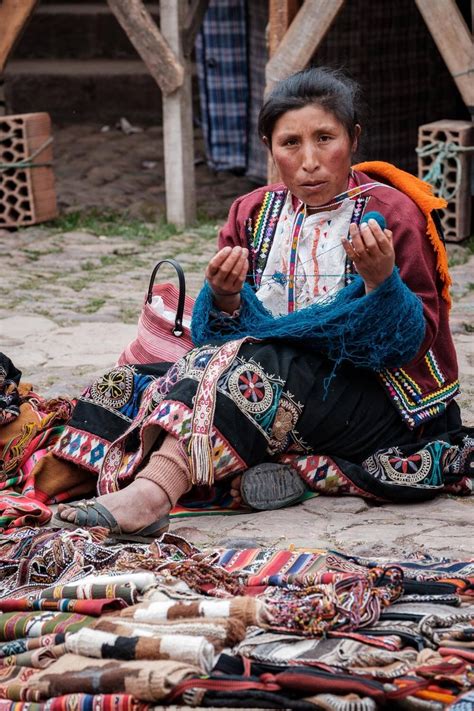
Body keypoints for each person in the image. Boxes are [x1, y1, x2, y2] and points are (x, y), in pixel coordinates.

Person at [55, 67, 461, 539]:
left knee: (251, 368)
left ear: (353, 140)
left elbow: (411, 344)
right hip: (280, 390)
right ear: (269, 148)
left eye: (325, 138)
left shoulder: (392, 214)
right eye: (291, 143)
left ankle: (152, 493)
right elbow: (214, 337)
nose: (310, 161)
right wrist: (225, 296)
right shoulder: (251, 213)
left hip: (375, 405)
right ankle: (107, 479)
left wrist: (381, 283)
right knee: (132, 383)